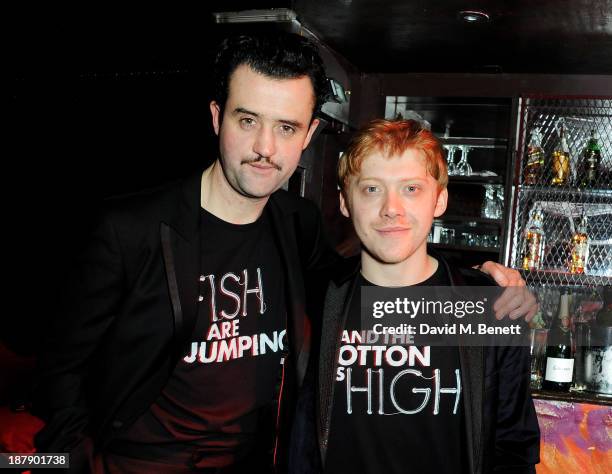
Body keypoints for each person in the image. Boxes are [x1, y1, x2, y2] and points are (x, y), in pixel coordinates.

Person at [33, 33, 536, 473]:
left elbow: (378, 270)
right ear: (216, 117)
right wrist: (70, 460)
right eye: (247, 119)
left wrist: (481, 285)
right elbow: (60, 368)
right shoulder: (129, 229)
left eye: (286, 127)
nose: (265, 147)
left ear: (309, 135)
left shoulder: (297, 225)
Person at [291, 119, 540, 474]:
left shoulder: (491, 308)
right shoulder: (310, 300)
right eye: (372, 189)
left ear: (439, 200)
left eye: (410, 188)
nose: (391, 208)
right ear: (345, 202)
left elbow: (514, 450)